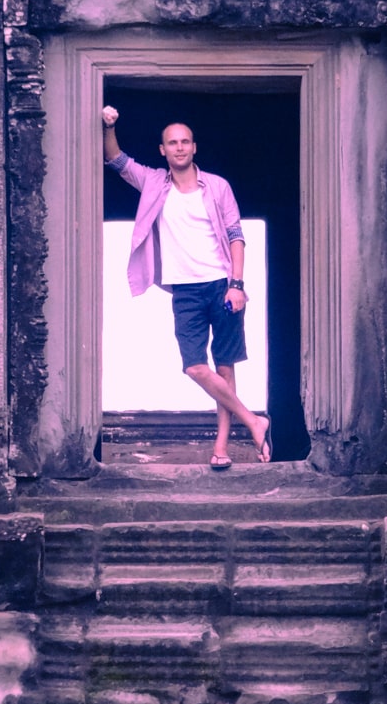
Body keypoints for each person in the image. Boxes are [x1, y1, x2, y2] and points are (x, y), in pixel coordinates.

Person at [102, 105, 272, 467]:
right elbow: (116, 160)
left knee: (225, 369)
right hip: (185, 290)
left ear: (194, 147)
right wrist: (108, 126)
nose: (179, 147)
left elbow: (236, 236)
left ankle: (221, 449)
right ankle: (253, 421)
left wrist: (236, 284)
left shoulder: (218, 186)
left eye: (184, 142)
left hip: (221, 285)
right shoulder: (152, 182)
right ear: (162, 150)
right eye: (172, 143)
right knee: (195, 366)